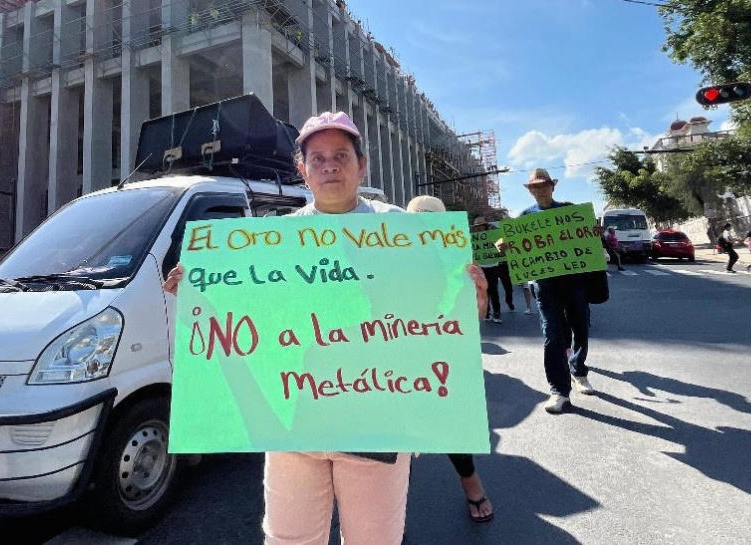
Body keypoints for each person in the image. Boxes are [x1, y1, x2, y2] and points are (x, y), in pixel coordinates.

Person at [165, 111, 489, 544]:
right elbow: (247, 325)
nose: (329, 166)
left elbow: (443, 323)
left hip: (378, 423)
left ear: (362, 165)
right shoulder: (275, 241)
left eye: (341, 155)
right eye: (317, 158)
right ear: (303, 170)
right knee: (289, 540)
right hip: (296, 428)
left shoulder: (402, 232)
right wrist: (198, 296)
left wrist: (474, 305)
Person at [407, 196, 494, 524]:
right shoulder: (385, 259)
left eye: (431, 223)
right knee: (393, 430)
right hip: (392, 355)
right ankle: (389, 506)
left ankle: (471, 484)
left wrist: (482, 296)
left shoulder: (458, 264)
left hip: (441, 356)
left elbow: (473, 321)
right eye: (416, 223)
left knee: (450, 422)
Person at [512, 168, 595, 414]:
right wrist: (504, 246)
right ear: (530, 191)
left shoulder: (569, 211)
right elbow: (516, 248)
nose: (539, 190)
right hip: (545, 285)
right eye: (534, 187)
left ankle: (578, 370)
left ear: (552, 186)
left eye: (543, 185)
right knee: (552, 335)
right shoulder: (525, 217)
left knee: (580, 327)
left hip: (574, 282)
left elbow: (586, 239)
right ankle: (559, 390)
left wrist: (593, 233)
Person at [471, 216, 506, 324]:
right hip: (479, 267)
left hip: (492, 266)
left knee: (493, 291)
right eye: (477, 226)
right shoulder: (473, 238)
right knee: (482, 291)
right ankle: (487, 312)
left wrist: (493, 228)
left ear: (485, 226)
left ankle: (496, 313)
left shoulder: (494, 236)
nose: (479, 228)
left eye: (481, 226)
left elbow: (502, 248)